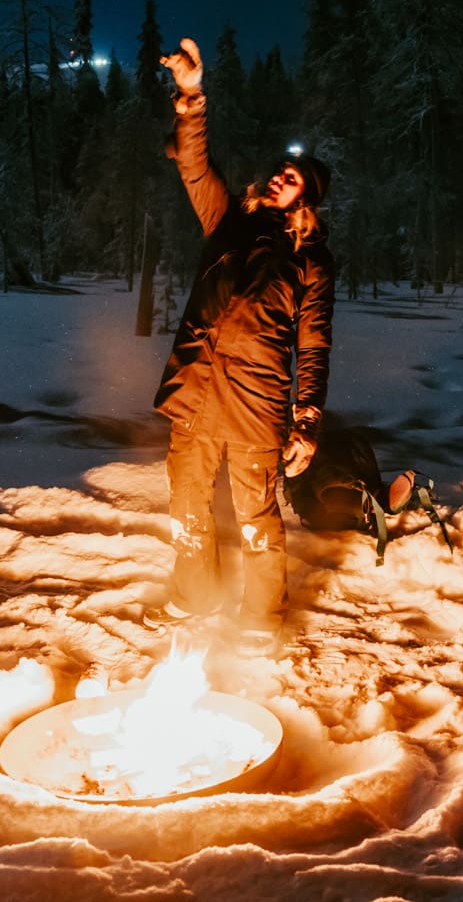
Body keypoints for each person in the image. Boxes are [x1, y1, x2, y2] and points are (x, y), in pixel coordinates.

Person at [149, 35, 336, 655]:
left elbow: (313, 346)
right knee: (187, 506)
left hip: (257, 400)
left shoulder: (310, 262)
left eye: (296, 178)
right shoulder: (228, 221)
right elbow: (194, 165)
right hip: (197, 387)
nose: (283, 177)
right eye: (283, 170)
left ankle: (261, 614)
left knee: (256, 517)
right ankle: (193, 595)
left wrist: (306, 418)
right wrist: (191, 97)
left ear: (306, 198)